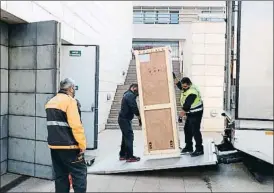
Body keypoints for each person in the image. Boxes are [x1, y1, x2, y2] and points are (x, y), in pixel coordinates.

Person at [45, 78, 87, 193]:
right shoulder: (70, 101)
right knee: (79, 175)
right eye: (74, 88)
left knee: (61, 176)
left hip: (54, 147)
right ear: (71, 88)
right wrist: (82, 144)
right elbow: (76, 126)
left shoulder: (50, 102)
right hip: (70, 147)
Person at [173, 73, 204, 157]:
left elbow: (186, 107)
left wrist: (180, 116)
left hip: (196, 112)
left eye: (185, 87)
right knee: (187, 129)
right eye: (183, 86)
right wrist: (174, 77)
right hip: (190, 112)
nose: (183, 88)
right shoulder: (185, 87)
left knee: (195, 130)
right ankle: (189, 147)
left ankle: (199, 149)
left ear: (189, 84)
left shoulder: (192, 93)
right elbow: (179, 84)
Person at [118, 83, 142, 162]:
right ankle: (129, 157)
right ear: (134, 88)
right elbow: (134, 107)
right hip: (124, 119)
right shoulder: (130, 95)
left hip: (123, 119)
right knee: (129, 137)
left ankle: (122, 155)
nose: (137, 93)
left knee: (125, 137)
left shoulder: (127, 94)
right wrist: (139, 117)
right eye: (137, 90)